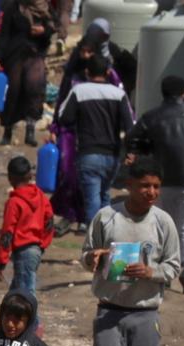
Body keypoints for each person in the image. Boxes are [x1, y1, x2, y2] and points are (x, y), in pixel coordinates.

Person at [82, 157, 181, 346]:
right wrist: (92, 258)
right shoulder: (106, 217)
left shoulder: (163, 222)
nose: (151, 192)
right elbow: (86, 254)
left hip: (146, 314)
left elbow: (174, 267)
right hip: (109, 311)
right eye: (145, 185)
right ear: (130, 184)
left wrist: (150, 272)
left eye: (156, 186)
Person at [49, 25, 129, 235]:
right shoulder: (79, 81)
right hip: (97, 147)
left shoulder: (84, 89)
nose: (85, 55)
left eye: (89, 52)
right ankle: (85, 225)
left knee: (95, 194)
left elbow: (65, 115)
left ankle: (95, 236)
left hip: (88, 147)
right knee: (79, 183)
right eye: (82, 51)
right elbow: (129, 122)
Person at [125, 76, 184, 294]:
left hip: (160, 181)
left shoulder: (151, 117)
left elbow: (131, 139)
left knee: (162, 226)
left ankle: (161, 272)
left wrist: (142, 152)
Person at [57, 54, 134, 223]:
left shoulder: (79, 91)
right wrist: (131, 151)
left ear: (87, 72)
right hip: (112, 156)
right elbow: (130, 125)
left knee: (92, 199)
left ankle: (96, 240)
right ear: (107, 72)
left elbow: (64, 118)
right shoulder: (118, 93)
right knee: (105, 196)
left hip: (88, 153)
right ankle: (105, 236)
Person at [0, 156, 54, 316]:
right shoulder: (40, 195)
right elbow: (49, 221)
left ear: (10, 178)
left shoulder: (14, 203)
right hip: (36, 249)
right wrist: (43, 244)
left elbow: (7, 232)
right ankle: (8, 322)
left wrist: (1, 260)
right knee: (16, 291)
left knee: (25, 294)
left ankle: (32, 327)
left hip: (23, 251)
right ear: (30, 176)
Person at [0, 0, 54, 147]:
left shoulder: (45, 8)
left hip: (35, 54)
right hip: (14, 56)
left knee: (34, 89)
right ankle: (7, 132)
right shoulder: (13, 7)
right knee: (13, 92)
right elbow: (3, 34)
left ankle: (30, 131)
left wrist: (43, 31)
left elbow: (53, 27)